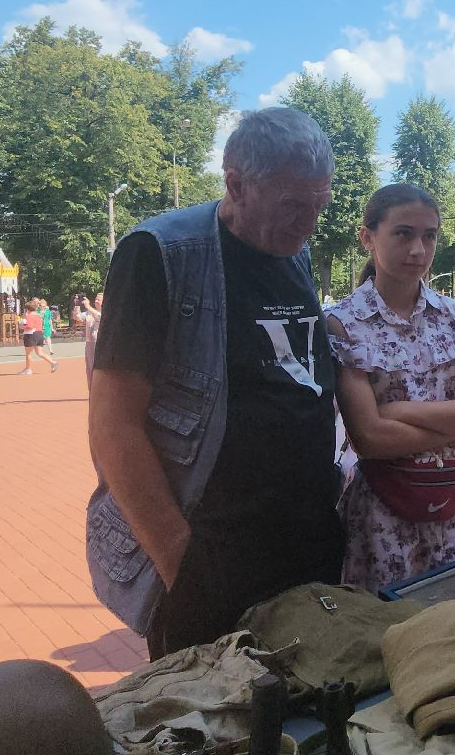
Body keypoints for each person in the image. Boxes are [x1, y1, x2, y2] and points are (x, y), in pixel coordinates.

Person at [88, 106, 345, 659]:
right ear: (235, 184)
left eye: (318, 205)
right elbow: (113, 423)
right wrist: (181, 558)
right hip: (214, 554)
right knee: (216, 726)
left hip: (305, 542)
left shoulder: (291, 249)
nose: (308, 223)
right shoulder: (159, 253)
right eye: (293, 205)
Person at [327, 183, 455, 591]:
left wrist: (399, 412)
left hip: (452, 510)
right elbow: (369, 439)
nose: (419, 250)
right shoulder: (344, 324)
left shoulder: (451, 315)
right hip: (384, 515)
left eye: (429, 235)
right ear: (368, 237)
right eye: (403, 233)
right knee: (391, 630)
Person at [18, 303, 47, 375]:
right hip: (39, 334)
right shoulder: (39, 316)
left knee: (28, 353)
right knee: (39, 352)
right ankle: (53, 362)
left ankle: (28, 369)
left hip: (31, 334)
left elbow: (30, 327)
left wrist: (21, 326)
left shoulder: (30, 316)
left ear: (27, 309)